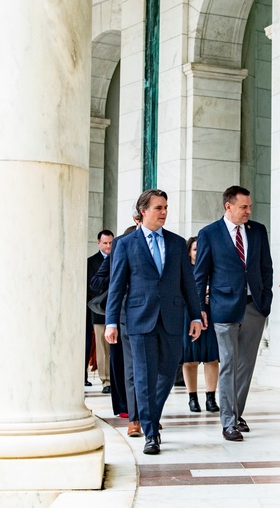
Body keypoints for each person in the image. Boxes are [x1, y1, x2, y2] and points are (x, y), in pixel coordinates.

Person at [105, 190, 204, 455]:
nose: (163, 212)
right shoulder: (125, 244)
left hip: (172, 318)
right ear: (143, 211)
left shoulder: (176, 243)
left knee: (168, 373)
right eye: (158, 207)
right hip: (139, 320)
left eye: (166, 207)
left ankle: (150, 416)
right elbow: (116, 286)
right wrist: (111, 322)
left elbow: (188, 283)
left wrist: (196, 315)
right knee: (144, 375)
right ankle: (151, 431)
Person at [194, 185, 274, 442]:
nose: (248, 211)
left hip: (255, 307)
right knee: (228, 364)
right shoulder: (209, 234)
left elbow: (266, 268)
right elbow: (200, 275)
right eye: (244, 207)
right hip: (224, 307)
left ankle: (237, 413)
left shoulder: (258, 231)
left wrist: (266, 300)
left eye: (249, 206)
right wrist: (199, 310)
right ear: (228, 206)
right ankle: (228, 421)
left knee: (245, 366)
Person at [91, 221, 140, 433]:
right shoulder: (115, 255)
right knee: (121, 363)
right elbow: (96, 283)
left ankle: (143, 410)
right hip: (120, 314)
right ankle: (126, 407)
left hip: (140, 315)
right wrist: (116, 277)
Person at [181, 235, 220, 414]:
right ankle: (192, 398)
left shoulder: (212, 269)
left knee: (212, 357)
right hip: (189, 317)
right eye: (196, 249)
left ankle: (211, 398)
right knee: (191, 359)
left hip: (211, 316)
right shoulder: (183, 269)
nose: (199, 252)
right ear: (189, 251)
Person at [87, 229, 114, 393]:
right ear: (99, 243)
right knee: (103, 348)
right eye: (105, 243)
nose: (108, 246)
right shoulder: (91, 262)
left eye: (111, 242)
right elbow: (92, 285)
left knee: (114, 349)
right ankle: (106, 381)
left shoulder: (118, 257)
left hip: (117, 309)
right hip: (100, 311)